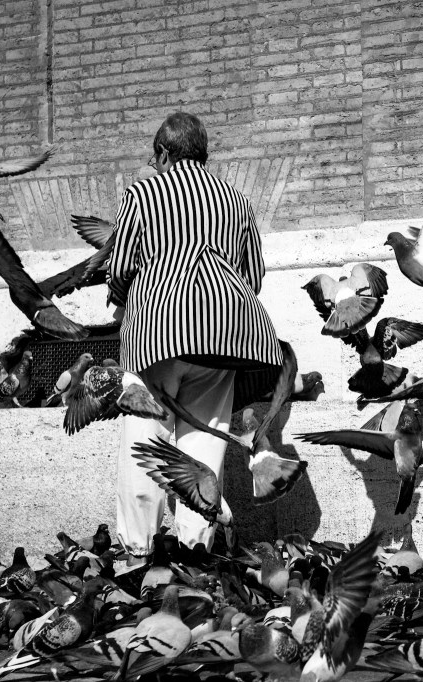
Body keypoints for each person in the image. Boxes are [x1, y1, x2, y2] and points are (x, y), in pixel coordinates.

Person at [107, 112, 282, 562]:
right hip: (225, 336)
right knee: (206, 442)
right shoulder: (237, 201)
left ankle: (138, 552)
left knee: (145, 440)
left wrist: (124, 301)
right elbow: (254, 275)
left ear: (164, 153)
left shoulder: (143, 193)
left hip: (156, 333)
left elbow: (121, 267)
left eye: (155, 157)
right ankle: (196, 551)